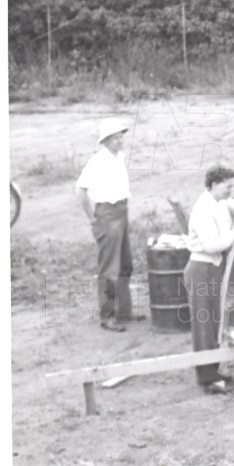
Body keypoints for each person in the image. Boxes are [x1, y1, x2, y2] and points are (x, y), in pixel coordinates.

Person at [184, 164, 234, 394]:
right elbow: (211, 245)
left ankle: (213, 370)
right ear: (213, 185)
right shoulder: (203, 210)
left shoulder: (220, 201)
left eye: (233, 186)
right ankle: (207, 378)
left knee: (214, 322)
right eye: (227, 186)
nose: (231, 190)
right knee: (204, 324)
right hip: (201, 269)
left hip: (213, 268)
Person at [76, 118, 135, 332]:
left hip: (121, 211)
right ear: (106, 140)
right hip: (107, 215)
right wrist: (93, 219)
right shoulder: (98, 161)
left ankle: (123, 311)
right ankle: (107, 316)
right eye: (116, 138)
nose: (121, 141)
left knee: (126, 264)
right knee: (109, 269)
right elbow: (80, 190)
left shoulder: (119, 157)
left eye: (121, 137)